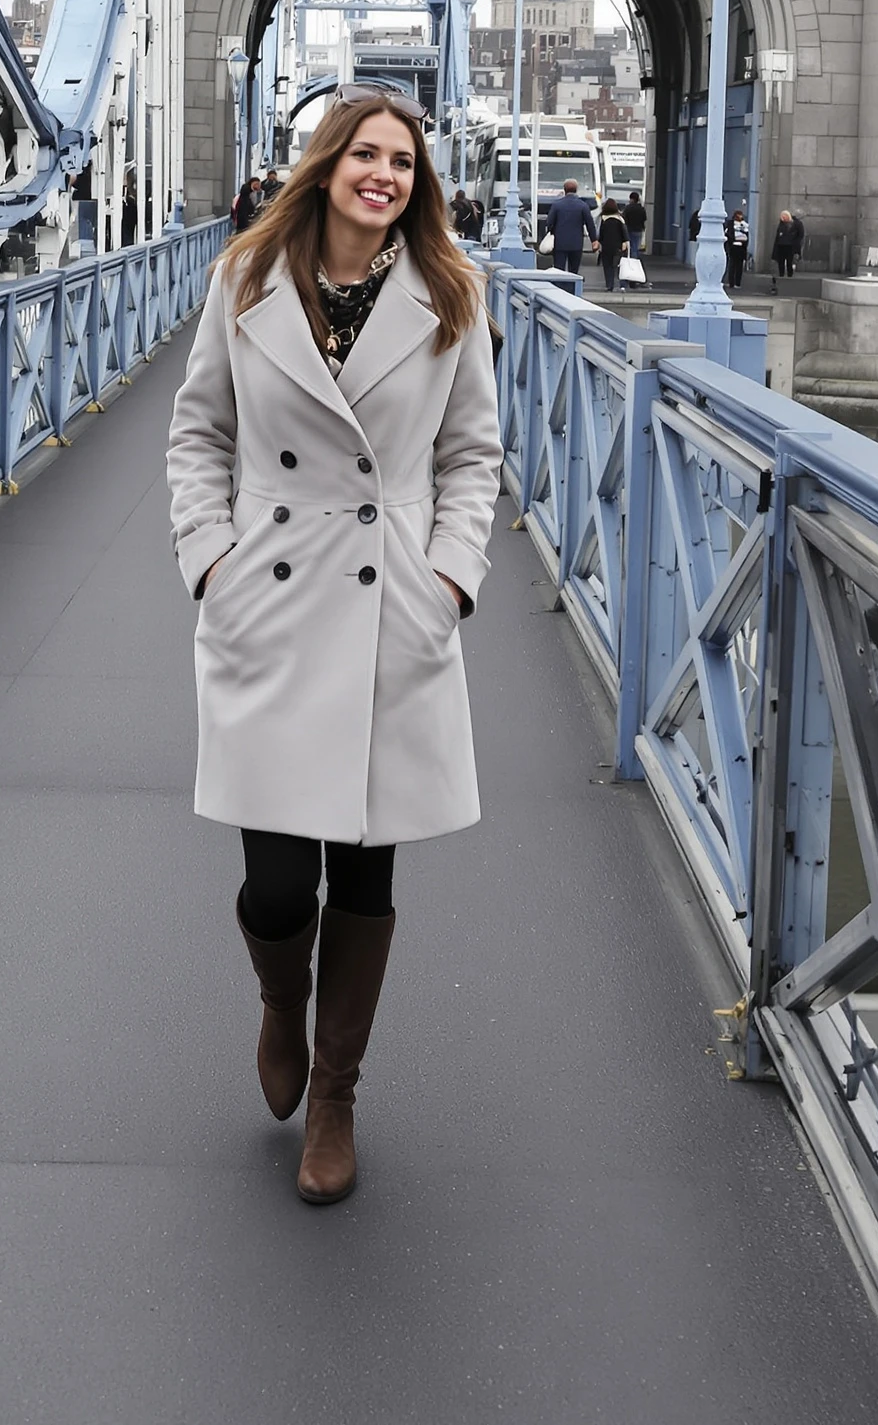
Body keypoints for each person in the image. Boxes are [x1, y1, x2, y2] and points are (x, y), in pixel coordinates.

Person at [167, 84, 502, 1206]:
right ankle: (278, 997)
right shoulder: (245, 281)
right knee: (275, 882)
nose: (385, 175)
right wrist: (209, 563)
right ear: (326, 164)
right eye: (366, 155)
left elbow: (472, 456)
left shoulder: (451, 293)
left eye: (403, 162)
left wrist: (449, 578)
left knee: (365, 866)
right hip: (269, 597)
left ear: (419, 184)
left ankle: (336, 1095)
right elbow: (198, 432)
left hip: (390, 606)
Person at [543, 176, 597, 275]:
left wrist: (551, 232)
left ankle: (559, 288)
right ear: (576, 190)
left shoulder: (557, 205)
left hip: (559, 243)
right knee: (574, 271)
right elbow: (590, 224)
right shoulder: (583, 206)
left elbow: (549, 222)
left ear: (564, 190)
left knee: (558, 271)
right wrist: (594, 240)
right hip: (576, 243)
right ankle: (572, 289)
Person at [596, 198, 628, 293]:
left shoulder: (603, 219)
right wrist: (625, 242)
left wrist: (599, 242)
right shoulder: (620, 219)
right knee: (619, 266)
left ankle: (609, 285)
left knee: (608, 266)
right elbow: (624, 233)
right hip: (618, 246)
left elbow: (600, 233)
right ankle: (622, 285)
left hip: (606, 246)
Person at [771, 208, 805, 283]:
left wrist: (796, 245)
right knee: (781, 263)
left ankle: (790, 276)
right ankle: (781, 276)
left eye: (784, 217)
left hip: (791, 246)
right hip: (781, 246)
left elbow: (800, 235)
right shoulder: (781, 225)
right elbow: (778, 236)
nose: (783, 219)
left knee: (790, 262)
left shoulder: (797, 224)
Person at [726, 207, 750, 290]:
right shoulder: (730, 224)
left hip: (741, 248)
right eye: (738, 215)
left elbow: (747, 234)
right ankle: (731, 282)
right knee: (732, 265)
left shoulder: (744, 224)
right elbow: (728, 234)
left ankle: (737, 282)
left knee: (739, 266)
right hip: (734, 247)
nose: (740, 216)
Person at [623, 191, 647, 272]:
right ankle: (635, 262)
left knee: (630, 247)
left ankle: (630, 263)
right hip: (638, 230)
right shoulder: (641, 209)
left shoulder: (628, 208)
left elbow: (624, 219)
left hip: (629, 230)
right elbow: (644, 218)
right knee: (636, 247)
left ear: (631, 199)